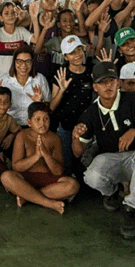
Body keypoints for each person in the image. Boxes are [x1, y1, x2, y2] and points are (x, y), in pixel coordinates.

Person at [73, 61, 135, 239]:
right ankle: (112, 192)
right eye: (102, 82)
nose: (108, 86)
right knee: (91, 176)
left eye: (112, 81)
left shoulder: (133, 100)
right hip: (112, 158)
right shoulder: (91, 112)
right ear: (95, 87)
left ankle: (131, 210)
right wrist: (76, 137)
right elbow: (78, 152)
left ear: (118, 83)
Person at [0, 102, 81, 214]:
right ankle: (49, 203)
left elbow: (58, 172)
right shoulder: (22, 136)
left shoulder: (55, 138)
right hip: (25, 180)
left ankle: (27, 197)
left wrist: (46, 154)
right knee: (6, 177)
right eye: (37, 119)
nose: (42, 123)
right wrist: (36, 156)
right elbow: (16, 167)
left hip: (48, 181)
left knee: (73, 186)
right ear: (29, 122)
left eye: (46, 119)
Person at [48, 36, 94, 176]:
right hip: (65, 126)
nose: (77, 55)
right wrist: (61, 90)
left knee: (86, 165)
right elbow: (51, 107)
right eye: (72, 53)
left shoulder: (92, 71)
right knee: (66, 166)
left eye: (79, 49)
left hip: (87, 126)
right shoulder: (60, 74)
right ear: (65, 57)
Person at [0, 46, 51, 127]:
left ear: (32, 62)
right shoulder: (3, 81)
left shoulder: (40, 79)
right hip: (9, 125)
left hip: (33, 126)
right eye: (19, 61)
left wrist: (40, 102)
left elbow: (47, 106)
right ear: (14, 62)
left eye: (28, 61)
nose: (24, 65)